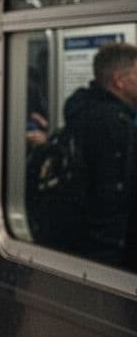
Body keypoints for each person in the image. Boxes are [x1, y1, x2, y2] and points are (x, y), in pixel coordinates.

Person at [58, 41, 137, 268]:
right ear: (119, 81)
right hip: (108, 255)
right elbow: (113, 201)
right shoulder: (114, 125)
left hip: (79, 244)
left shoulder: (83, 109)